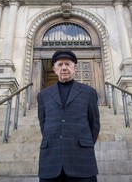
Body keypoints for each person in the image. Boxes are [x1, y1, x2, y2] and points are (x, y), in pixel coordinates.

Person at [37, 49, 100, 182]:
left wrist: (84, 144)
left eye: (67, 64)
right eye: (60, 65)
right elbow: (43, 125)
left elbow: (94, 125)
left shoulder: (89, 93)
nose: (64, 68)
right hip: (51, 161)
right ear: (54, 69)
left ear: (75, 67)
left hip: (82, 160)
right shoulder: (43, 95)